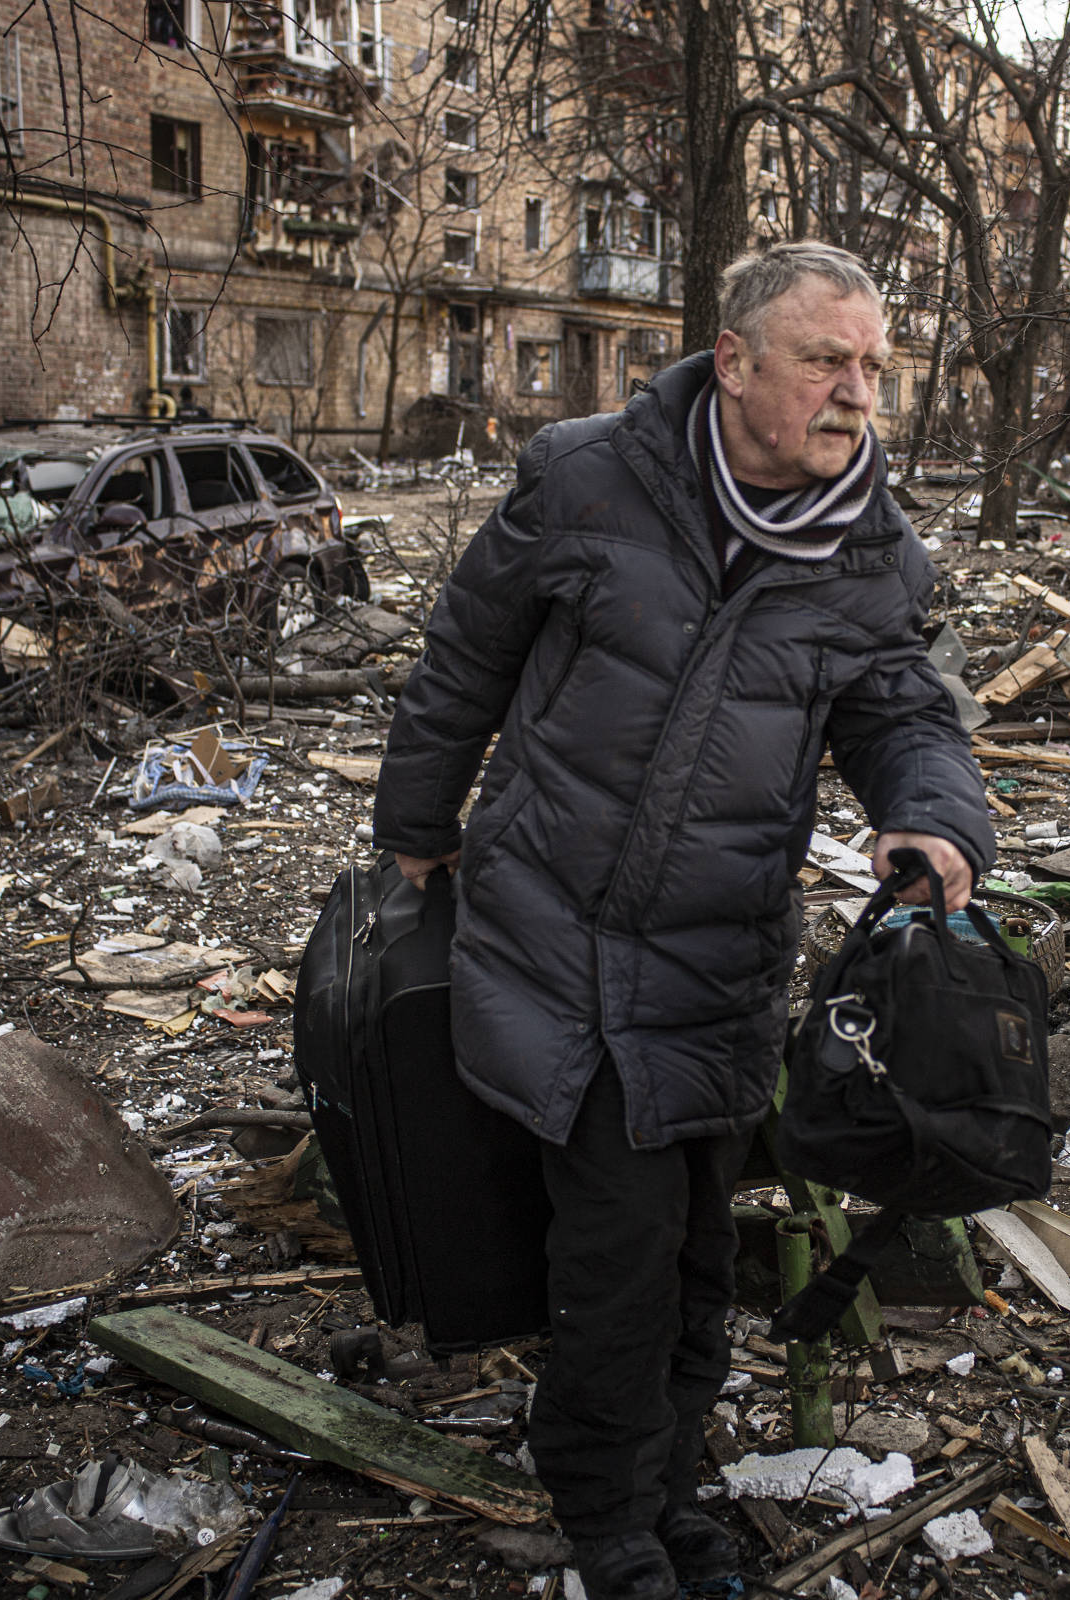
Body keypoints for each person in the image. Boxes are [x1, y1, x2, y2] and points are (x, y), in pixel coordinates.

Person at [370, 242, 992, 1600]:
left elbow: (903, 712)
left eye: (874, 367)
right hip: (555, 931)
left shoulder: (875, 554)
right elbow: (466, 652)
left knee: (703, 1243)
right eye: (828, 361)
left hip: (720, 951)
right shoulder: (587, 475)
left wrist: (932, 819)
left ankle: (674, 1488)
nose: (857, 394)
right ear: (737, 361)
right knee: (622, 1245)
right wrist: (414, 834)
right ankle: (606, 1517)